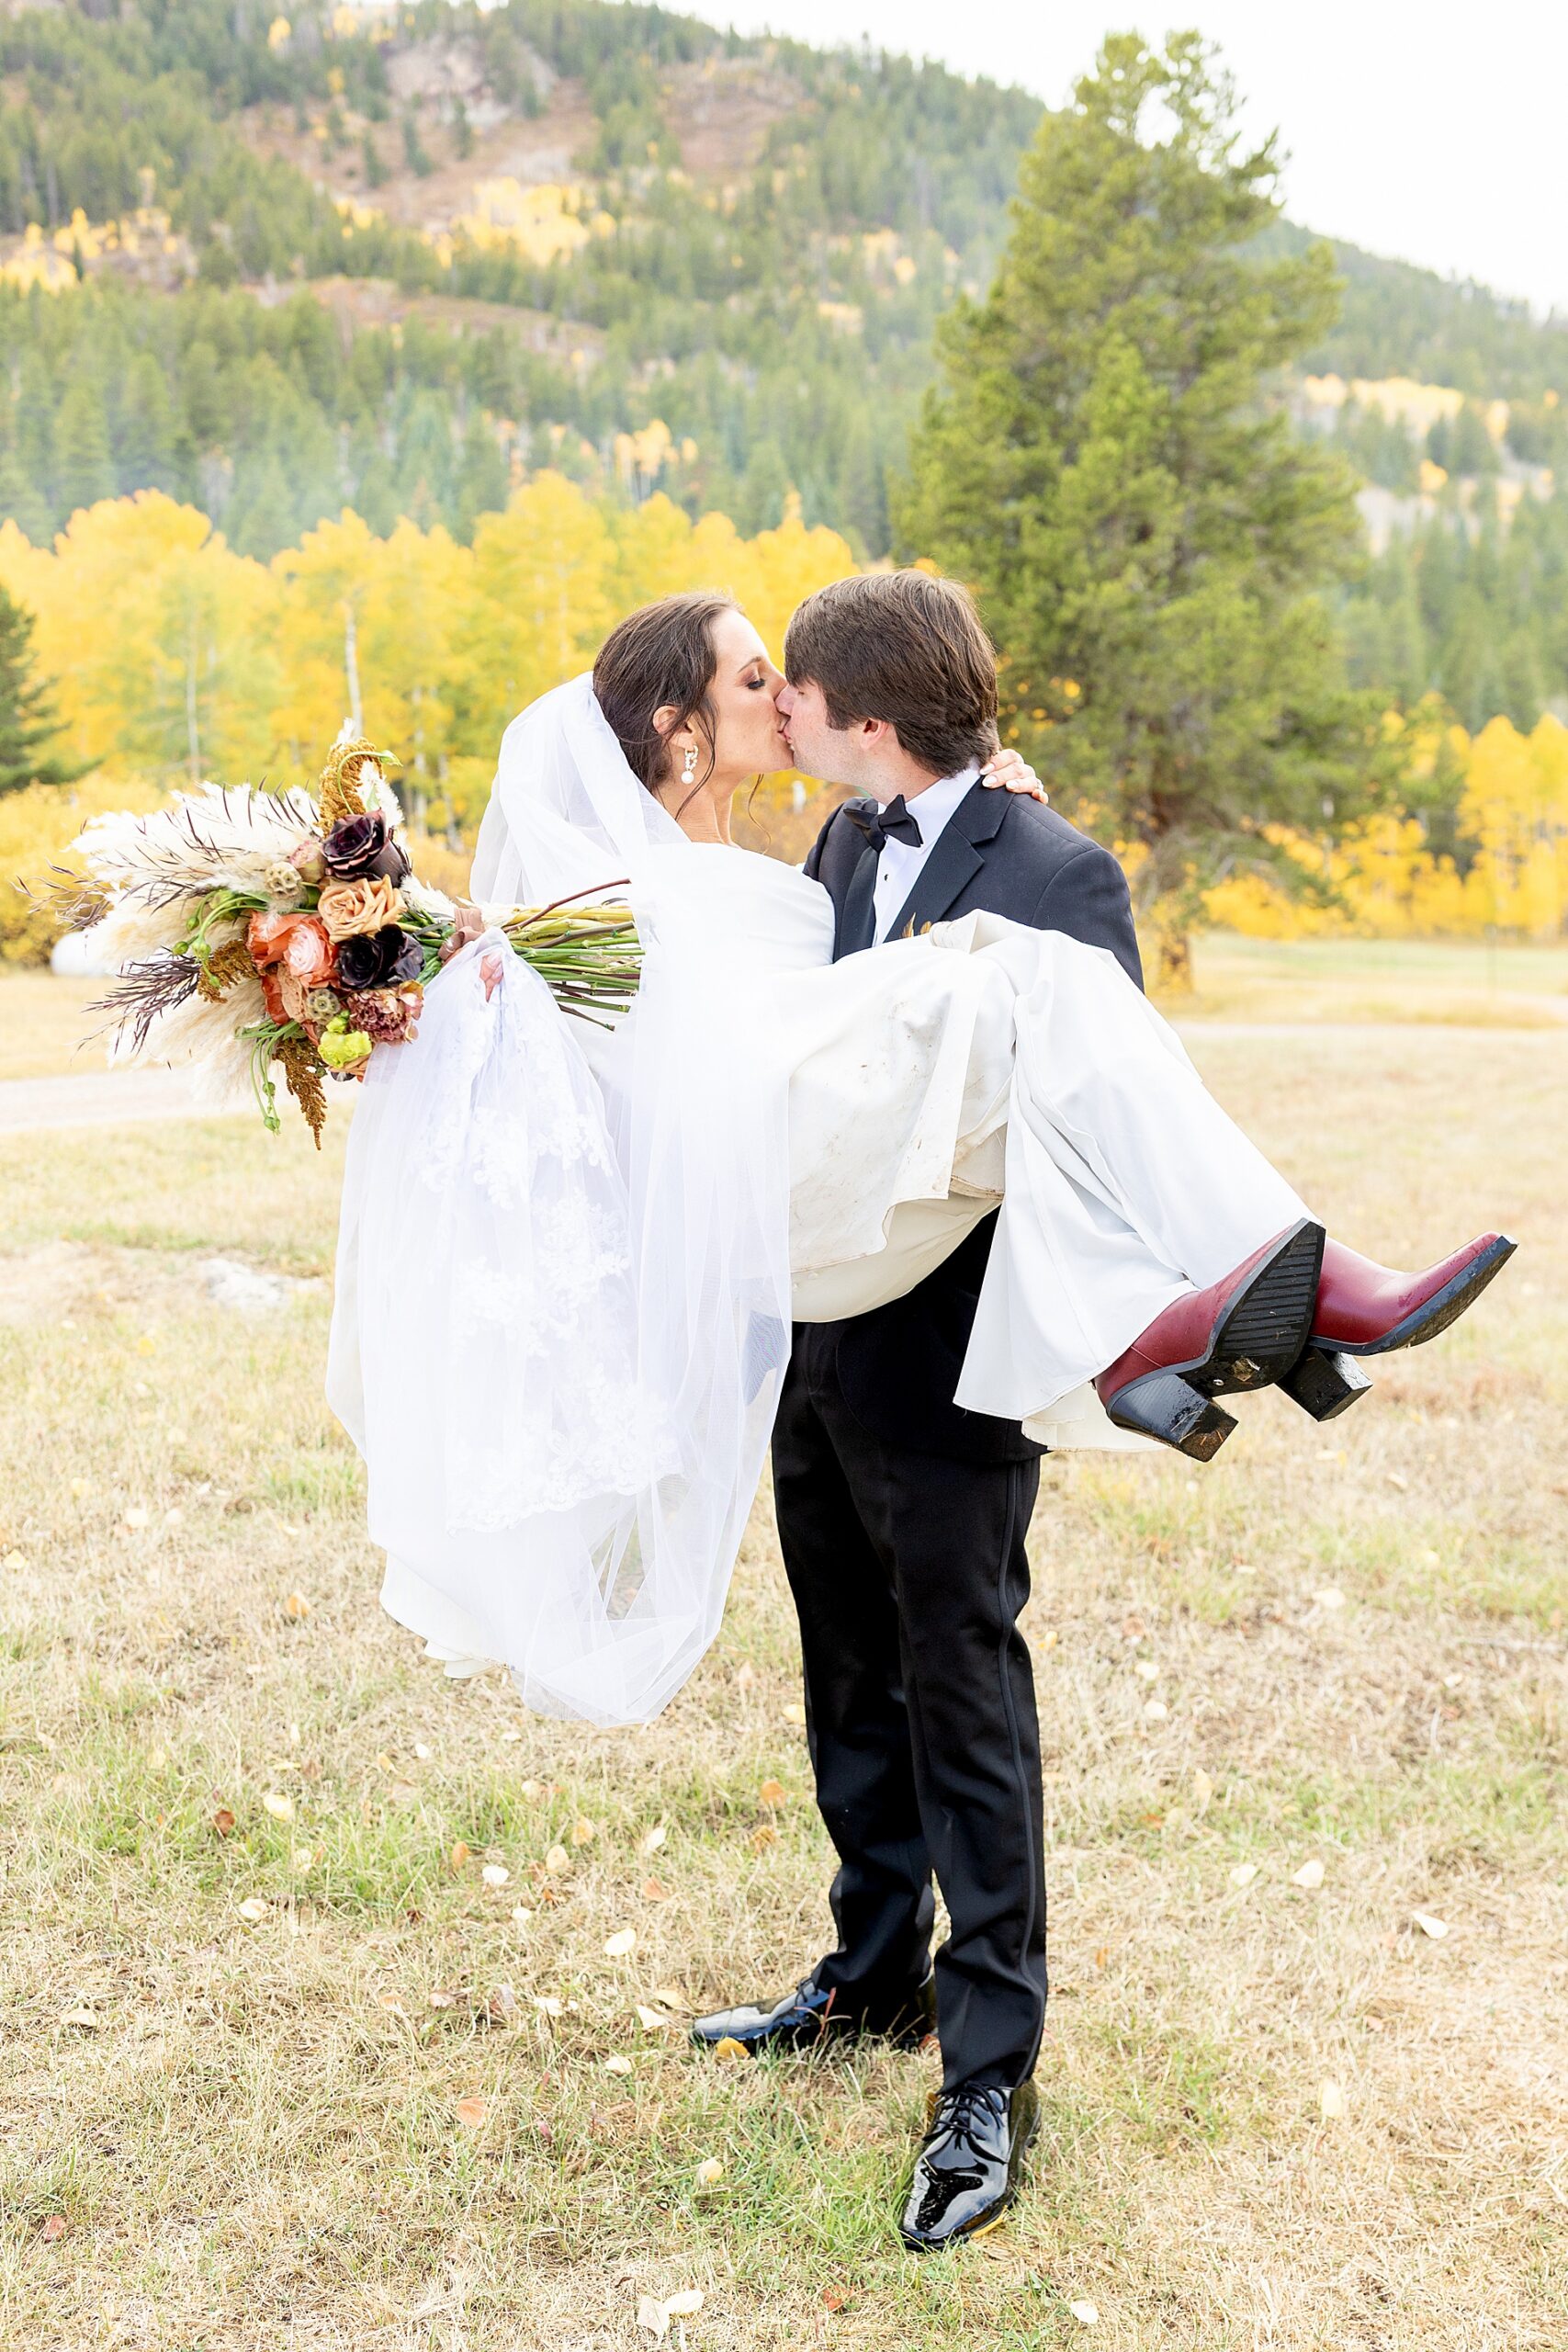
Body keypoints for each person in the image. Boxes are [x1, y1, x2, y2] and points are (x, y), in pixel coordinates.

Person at [325, 579, 1510, 2245]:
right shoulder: (814, 857)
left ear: (866, 717)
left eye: (792, 689)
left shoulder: (1055, 869)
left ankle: (988, 2064)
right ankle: (870, 1972)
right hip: (807, 1337)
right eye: (757, 687)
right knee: (844, 1675)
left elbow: (1085, 1132)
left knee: (963, 1680)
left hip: (953, 1362)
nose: (783, 712)